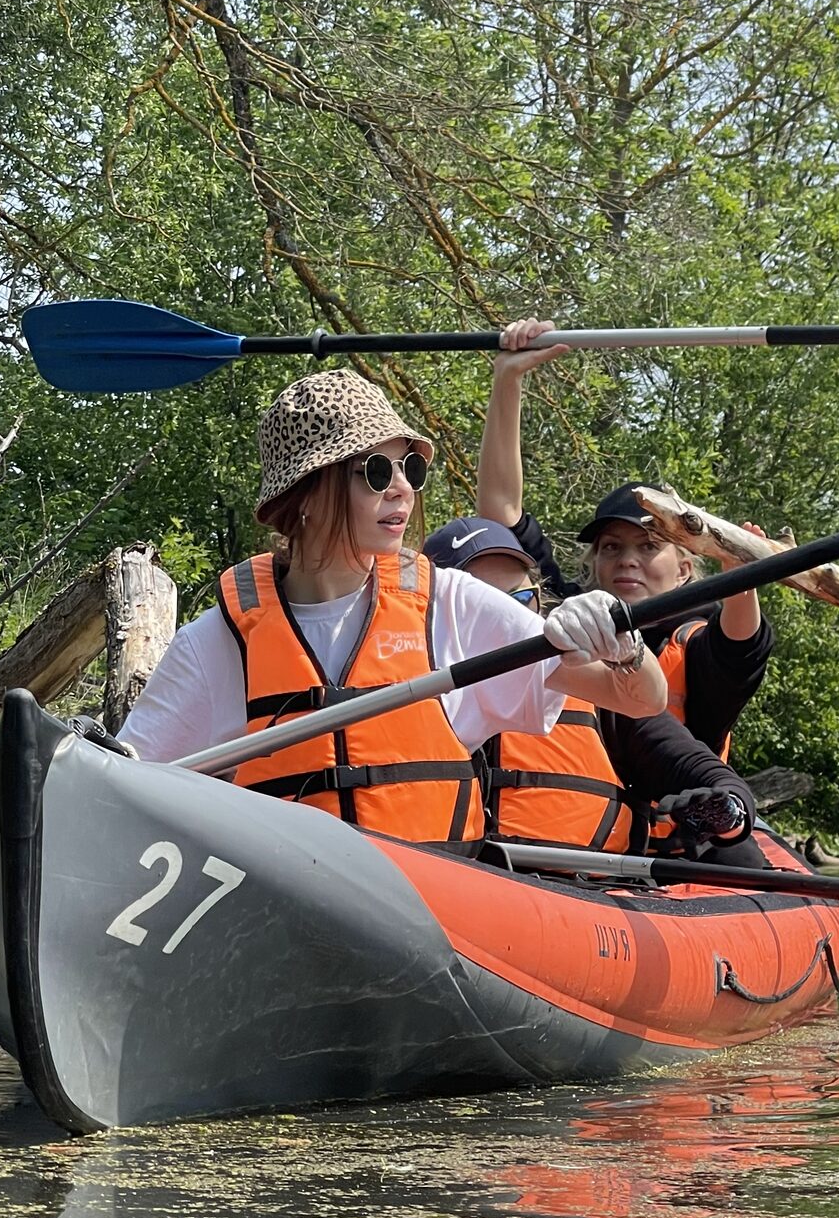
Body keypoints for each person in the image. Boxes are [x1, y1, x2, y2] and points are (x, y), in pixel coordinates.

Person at [120, 369, 669, 849]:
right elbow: (123, 784)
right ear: (308, 494)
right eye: (377, 473)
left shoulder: (451, 605)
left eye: (409, 469)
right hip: (291, 923)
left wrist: (624, 647)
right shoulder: (217, 642)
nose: (403, 489)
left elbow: (641, 698)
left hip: (441, 919)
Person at [472, 318, 773, 759]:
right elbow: (501, 514)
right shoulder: (568, 614)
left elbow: (741, 643)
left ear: (686, 569)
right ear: (594, 565)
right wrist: (507, 378)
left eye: (649, 546)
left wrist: (739, 580)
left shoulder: (699, 643)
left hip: (664, 823)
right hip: (550, 823)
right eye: (612, 547)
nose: (627, 559)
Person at [420, 514, 761, 860]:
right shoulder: (404, 698)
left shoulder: (598, 689)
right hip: (458, 882)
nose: (506, 620)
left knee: (740, 857)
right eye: (484, 606)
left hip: (586, 891)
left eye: (520, 599)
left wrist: (725, 805)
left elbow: (694, 764)